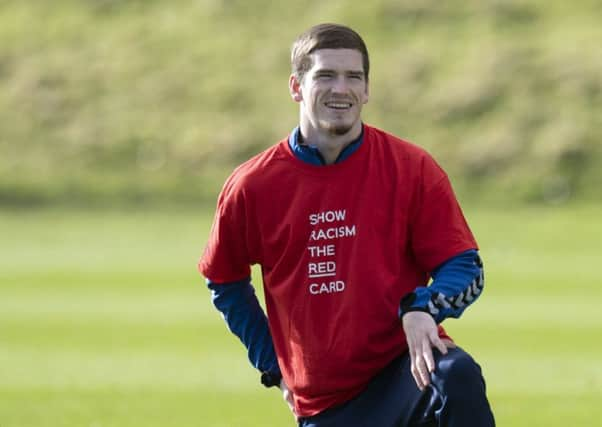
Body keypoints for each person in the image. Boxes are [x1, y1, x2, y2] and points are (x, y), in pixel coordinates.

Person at [199, 23, 495, 427]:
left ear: (367, 89)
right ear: (296, 86)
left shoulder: (411, 169)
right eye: (325, 75)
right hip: (325, 401)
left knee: (455, 375)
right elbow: (224, 278)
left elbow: (464, 264)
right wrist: (273, 364)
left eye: (353, 76)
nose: (342, 89)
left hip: (406, 370)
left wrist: (424, 308)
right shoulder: (253, 186)